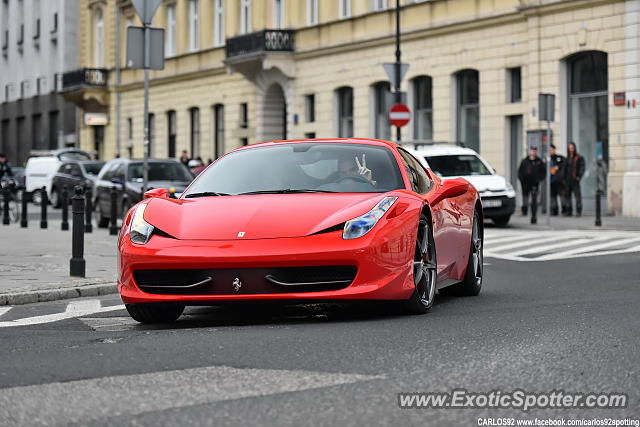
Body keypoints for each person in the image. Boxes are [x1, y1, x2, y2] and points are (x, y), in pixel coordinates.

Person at [518, 146, 545, 217]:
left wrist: (539, 179)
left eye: (534, 151)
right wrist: (522, 179)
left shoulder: (539, 161)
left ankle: (534, 213)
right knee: (525, 197)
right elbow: (520, 172)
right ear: (529, 152)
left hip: (535, 183)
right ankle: (524, 210)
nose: (533, 152)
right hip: (525, 183)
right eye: (532, 151)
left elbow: (543, 171)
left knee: (534, 199)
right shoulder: (525, 161)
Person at [564, 142, 585, 216]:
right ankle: (568, 211)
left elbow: (582, 168)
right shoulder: (567, 158)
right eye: (569, 148)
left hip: (575, 180)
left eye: (572, 148)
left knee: (577, 197)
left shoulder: (579, 158)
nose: (571, 150)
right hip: (568, 180)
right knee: (567, 196)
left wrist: (579, 177)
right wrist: (564, 179)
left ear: (574, 148)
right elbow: (564, 170)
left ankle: (578, 211)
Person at [548, 144, 566, 216]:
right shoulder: (547, 158)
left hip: (559, 180)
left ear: (554, 150)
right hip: (551, 181)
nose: (550, 151)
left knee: (561, 196)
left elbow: (564, 164)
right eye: (549, 150)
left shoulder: (559, 157)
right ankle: (554, 210)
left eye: (552, 149)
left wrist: (558, 167)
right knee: (552, 196)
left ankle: (564, 209)